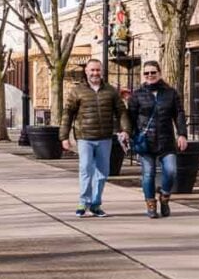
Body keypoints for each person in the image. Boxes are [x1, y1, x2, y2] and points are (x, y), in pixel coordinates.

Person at [60, 58, 131, 218]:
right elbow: (68, 114)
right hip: (84, 137)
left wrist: (125, 130)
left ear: (102, 71)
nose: (95, 73)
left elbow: (121, 111)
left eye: (98, 70)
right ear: (86, 71)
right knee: (86, 168)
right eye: (92, 70)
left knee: (103, 172)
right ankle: (83, 202)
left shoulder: (111, 91)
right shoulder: (77, 91)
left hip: (105, 137)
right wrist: (64, 136)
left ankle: (96, 204)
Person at [128, 60, 187, 219]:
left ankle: (165, 196)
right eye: (146, 73)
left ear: (159, 73)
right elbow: (130, 118)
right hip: (145, 141)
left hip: (166, 140)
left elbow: (179, 114)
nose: (150, 75)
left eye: (153, 72)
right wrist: (128, 134)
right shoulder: (137, 95)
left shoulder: (170, 93)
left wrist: (182, 134)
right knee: (148, 174)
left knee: (171, 171)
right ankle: (151, 204)